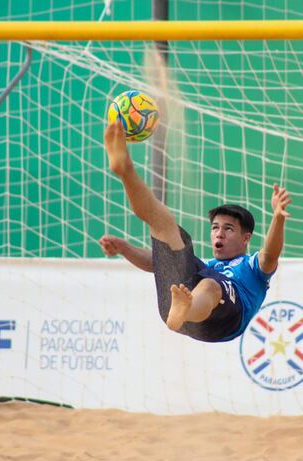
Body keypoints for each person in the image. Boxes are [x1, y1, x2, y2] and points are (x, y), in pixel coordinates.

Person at [99, 119, 291, 342]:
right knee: (167, 225)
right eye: (215, 228)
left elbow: (270, 254)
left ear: (246, 238)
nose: (219, 233)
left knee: (210, 284)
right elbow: (157, 263)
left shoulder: (251, 267)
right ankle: (126, 170)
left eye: (228, 229)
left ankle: (185, 310)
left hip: (226, 321)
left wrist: (277, 218)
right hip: (177, 306)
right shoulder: (206, 266)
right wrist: (124, 248)